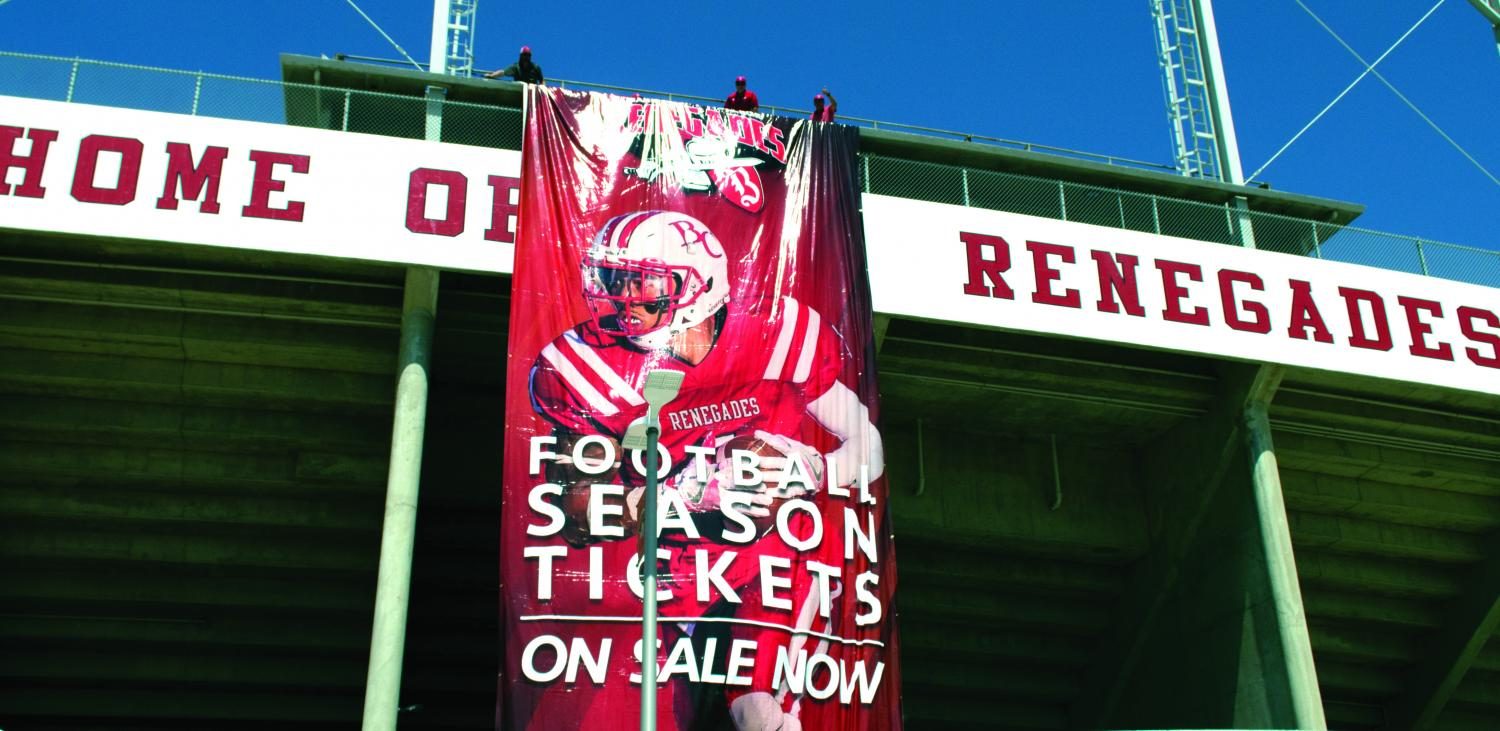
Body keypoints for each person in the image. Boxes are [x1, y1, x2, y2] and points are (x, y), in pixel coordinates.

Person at [529, 209, 884, 730]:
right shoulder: (583, 366)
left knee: (762, 712)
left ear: (698, 287)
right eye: (615, 278)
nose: (623, 296)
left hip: (770, 552)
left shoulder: (776, 333)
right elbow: (575, 509)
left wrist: (811, 472)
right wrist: (687, 493)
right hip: (663, 568)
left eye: (643, 281)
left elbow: (866, 443)